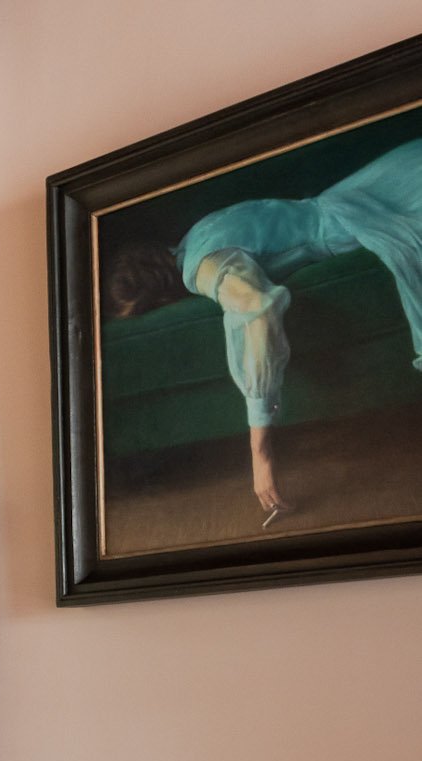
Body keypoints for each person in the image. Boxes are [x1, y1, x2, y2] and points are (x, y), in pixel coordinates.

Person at [106, 136, 422, 521]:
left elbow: (257, 309)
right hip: (369, 186)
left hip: (353, 218)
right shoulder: (198, 234)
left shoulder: (200, 266)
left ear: (157, 297)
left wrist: (261, 452)